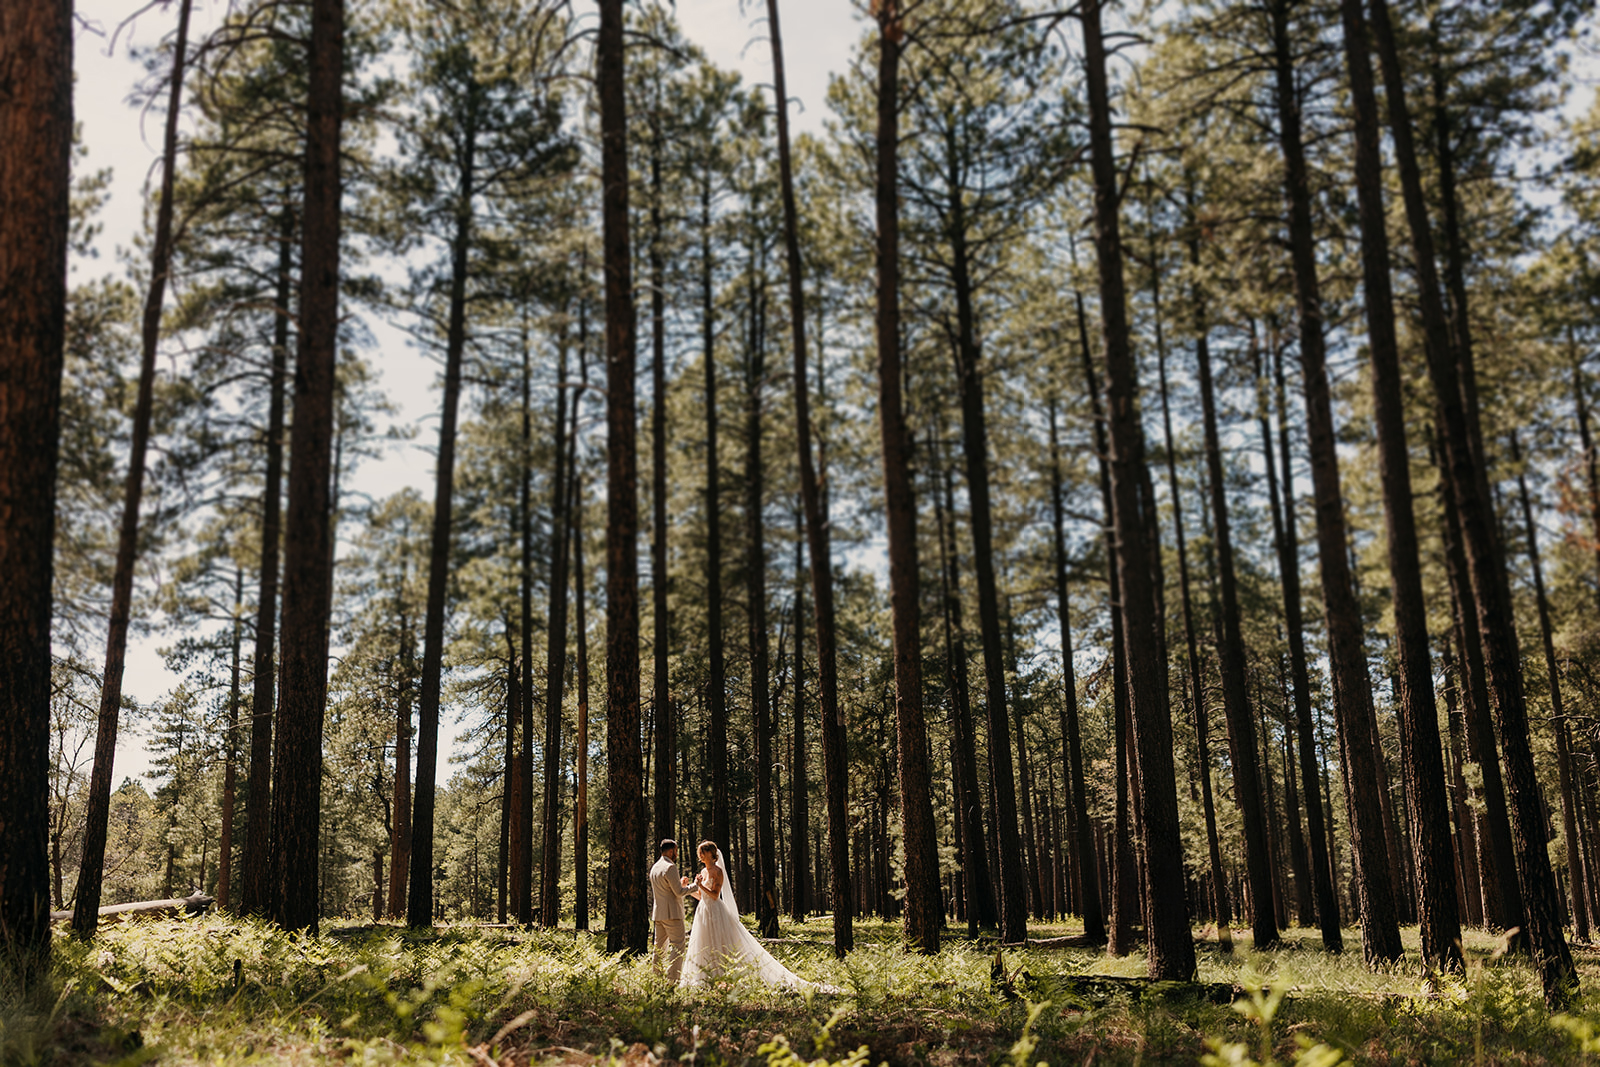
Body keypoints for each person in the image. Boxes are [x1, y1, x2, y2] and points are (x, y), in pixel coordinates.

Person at [680, 840, 816, 991]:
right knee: (703, 944)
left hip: (715, 912)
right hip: (703, 912)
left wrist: (699, 885)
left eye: (703, 852)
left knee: (718, 943)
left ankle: (723, 978)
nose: (700, 855)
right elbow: (701, 896)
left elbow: (714, 895)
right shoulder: (703, 873)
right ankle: (705, 978)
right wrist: (688, 888)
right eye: (699, 853)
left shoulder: (718, 872)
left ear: (711, 854)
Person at [649, 839, 694, 982]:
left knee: (659, 948)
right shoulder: (670, 867)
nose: (677, 854)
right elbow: (679, 892)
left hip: (659, 914)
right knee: (678, 946)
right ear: (670, 851)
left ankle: (656, 979)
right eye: (676, 851)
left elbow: (668, 889)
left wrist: (680, 883)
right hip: (672, 914)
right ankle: (672, 980)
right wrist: (696, 885)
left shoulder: (655, 867)